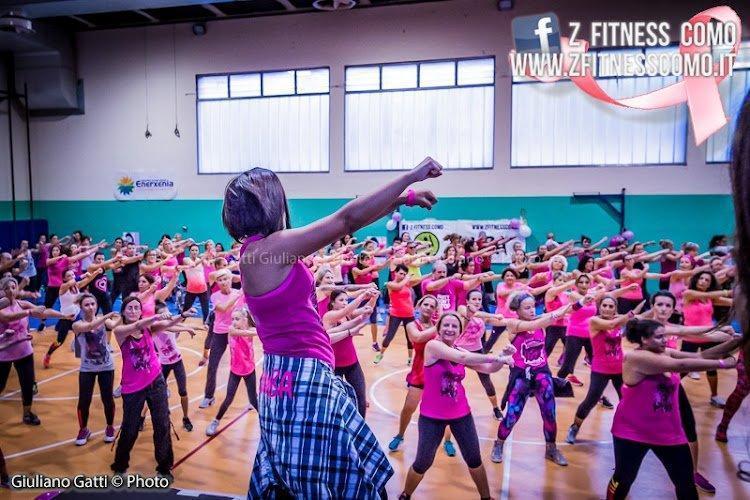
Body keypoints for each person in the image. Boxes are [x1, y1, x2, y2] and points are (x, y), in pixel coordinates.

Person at [222, 157, 442, 496]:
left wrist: (401, 200)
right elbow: (345, 220)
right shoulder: (268, 251)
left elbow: (347, 224)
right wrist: (411, 176)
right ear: (270, 203)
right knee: (327, 483)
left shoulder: (261, 252)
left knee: (334, 476)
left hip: (294, 376)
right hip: (301, 378)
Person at [606, 319, 738, 500]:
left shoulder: (666, 352)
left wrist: (739, 341)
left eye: (664, 336)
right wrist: (722, 364)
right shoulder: (635, 357)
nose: (664, 340)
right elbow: (681, 366)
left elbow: (701, 356)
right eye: (659, 337)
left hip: (668, 431)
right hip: (632, 431)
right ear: (644, 339)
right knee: (624, 478)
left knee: (685, 482)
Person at [398, 312, 514, 500]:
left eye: (454, 326)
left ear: (460, 331)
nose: (450, 329)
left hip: (461, 414)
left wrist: (503, 356)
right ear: (439, 328)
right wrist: (495, 358)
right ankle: (406, 495)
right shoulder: (433, 346)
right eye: (446, 325)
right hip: (431, 416)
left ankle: (486, 498)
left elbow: (489, 369)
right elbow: (462, 357)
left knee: (474, 459)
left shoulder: (460, 349)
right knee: (422, 462)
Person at [110, 296, 194, 480]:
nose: (133, 311)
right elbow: (136, 325)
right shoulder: (120, 331)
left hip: (156, 381)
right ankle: (120, 466)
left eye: (136, 308)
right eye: (130, 308)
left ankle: (164, 468)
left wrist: (183, 315)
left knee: (162, 424)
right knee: (130, 428)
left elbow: (168, 324)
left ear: (141, 311)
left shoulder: (148, 328)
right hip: (133, 387)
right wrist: (155, 317)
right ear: (123, 312)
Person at [491, 292, 576, 466]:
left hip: (542, 373)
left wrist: (580, 302)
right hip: (521, 376)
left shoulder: (539, 320)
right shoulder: (513, 324)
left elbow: (562, 311)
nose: (532, 310)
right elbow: (541, 321)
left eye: (533, 307)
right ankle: (498, 444)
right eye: (527, 308)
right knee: (512, 415)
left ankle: (551, 449)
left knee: (550, 414)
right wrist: (556, 314)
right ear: (517, 310)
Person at [566, 296, 644, 443]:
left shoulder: (619, 320)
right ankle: (575, 427)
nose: (607, 309)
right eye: (604, 305)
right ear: (599, 307)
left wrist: (653, 309)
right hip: (600, 369)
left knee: (626, 399)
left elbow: (639, 318)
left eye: (610, 306)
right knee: (591, 400)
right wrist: (632, 314)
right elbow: (612, 324)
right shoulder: (594, 321)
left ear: (615, 309)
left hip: (619, 368)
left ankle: (629, 428)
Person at [0, 276, 67, 424]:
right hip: (4, 354)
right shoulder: (1, 308)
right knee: (0, 385)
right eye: (6, 288)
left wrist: (63, 316)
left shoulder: (22, 304)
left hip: (24, 351)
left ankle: (27, 414)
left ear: (17, 289)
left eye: (13, 287)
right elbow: (8, 318)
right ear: (2, 291)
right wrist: (30, 312)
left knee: (28, 384)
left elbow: (43, 312)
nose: (10, 290)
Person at [72, 293, 120, 445]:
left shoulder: (104, 320)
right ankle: (83, 429)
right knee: (84, 401)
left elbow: (114, 325)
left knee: (107, 399)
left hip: (106, 366)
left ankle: (110, 427)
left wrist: (122, 316)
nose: (91, 307)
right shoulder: (77, 325)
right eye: (87, 305)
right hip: (87, 368)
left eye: (93, 304)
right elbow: (90, 327)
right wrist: (107, 316)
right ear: (81, 307)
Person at [206, 307, 259, 436]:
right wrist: (259, 331)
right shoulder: (232, 330)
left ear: (245, 320)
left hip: (249, 370)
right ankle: (215, 421)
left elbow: (254, 331)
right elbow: (244, 333)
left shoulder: (251, 329)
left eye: (237, 319)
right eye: (232, 319)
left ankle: (266, 422)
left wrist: (257, 330)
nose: (234, 321)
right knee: (228, 399)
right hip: (235, 371)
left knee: (254, 400)